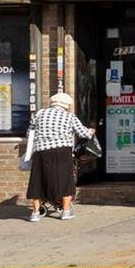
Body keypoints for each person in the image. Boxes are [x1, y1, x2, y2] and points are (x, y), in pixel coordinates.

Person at [25, 91, 95, 222]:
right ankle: (65, 211)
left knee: (38, 180)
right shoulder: (69, 116)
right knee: (65, 179)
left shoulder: (39, 114)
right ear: (66, 105)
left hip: (41, 152)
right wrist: (91, 131)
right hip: (62, 151)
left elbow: (30, 133)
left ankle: (35, 213)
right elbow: (84, 133)